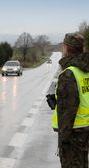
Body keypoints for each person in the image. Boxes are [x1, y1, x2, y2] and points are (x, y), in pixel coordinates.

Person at [51, 33, 89, 168]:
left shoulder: (69, 73)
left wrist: (63, 139)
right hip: (84, 130)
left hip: (73, 133)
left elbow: (68, 110)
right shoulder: (85, 70)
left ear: (67, 48)